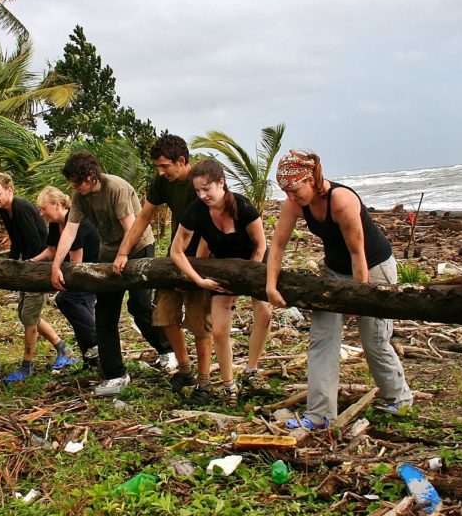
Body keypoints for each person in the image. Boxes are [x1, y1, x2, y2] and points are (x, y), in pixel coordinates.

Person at [266, 150, 413, 429]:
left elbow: (358, 254)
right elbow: (277, 247)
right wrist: (271, 286)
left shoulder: (342, 201)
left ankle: (399, 398)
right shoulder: (295, 203)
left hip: (373, 268)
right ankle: (320, 414)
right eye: (287, 192)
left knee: (374, 338)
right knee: (323, 338)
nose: (292, 197)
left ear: (311, 179)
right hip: (333, 271)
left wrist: (360, 299)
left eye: (296, 190)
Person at [50, 151, 173, 396]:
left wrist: (124, 255)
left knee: (138, 306)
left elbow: (132, 227)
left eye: (78, 180)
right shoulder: (80, 196)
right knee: (105, 313)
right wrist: (56, 265)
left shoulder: (115, 187)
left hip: (138, 247)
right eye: (72, 181)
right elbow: (70, 231)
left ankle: (167, 350)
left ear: (92, 176)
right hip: (109, 252)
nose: (74, 186)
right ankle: (115, 374)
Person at [170, 158, 273, 406]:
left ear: (221, 183)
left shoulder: (243, 206)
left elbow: (260, 245)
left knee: (263, 311)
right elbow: (177, 251)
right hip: (223, 265)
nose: (202, 195)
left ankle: (251, 371)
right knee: (219, 329)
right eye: (197, 190)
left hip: (254, 261)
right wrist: (198, 280)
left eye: (207, 188)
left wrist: (247, 279)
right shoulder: (196, 210)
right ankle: (229, 386)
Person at [113, 134, 209, 390]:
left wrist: (198, 265)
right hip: (174, 256)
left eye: (164, 166)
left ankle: (204, 380)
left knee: (199, 321)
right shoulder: (162, 183)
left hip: (204, 257)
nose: (160, 171)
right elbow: (142, 217)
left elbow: (215, 223)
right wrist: (123, 252)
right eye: (157, 167)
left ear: (181, 160)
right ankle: (184, 368)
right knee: (164, 313)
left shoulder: (201, 180)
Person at [0, 173, 76, 383]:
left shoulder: (21, 208)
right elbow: (17, 242)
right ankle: (63, 348)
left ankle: (27, 366)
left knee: (28, 316)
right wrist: (10, 265)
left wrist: (30, 267)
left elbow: (37, 242)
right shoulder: (6, 211)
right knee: (25, 313)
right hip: (27, 267)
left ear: (9, 191)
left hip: (38, 266)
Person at [32, 186, 99, 368]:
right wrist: (32, 262)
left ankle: (98, 343)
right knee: (75, 309)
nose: (41, 213)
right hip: (77, 271)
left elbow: (76, 261)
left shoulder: (77, 221)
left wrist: (56, 272)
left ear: (57, 205)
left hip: (92, 272)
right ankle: (91, 360)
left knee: (68, 301)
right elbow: (52, 249)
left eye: (44, 208)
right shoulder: (55, 223)